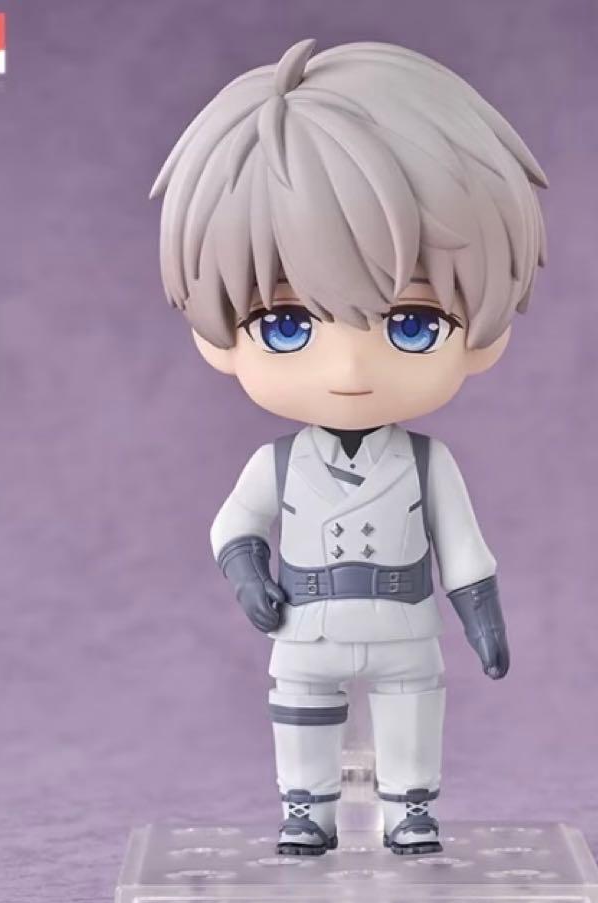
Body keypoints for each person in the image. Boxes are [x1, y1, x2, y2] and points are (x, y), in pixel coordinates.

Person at [150, 38, 547, 855]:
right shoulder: (278, 465)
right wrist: (248, 575)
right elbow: (233, 525)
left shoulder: (429, 463)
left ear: (485, 334)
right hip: (306, 624)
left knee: (412, 712)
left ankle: (411, 808)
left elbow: (464, 549)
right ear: (217, 336)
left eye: (414, 323)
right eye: (286, 324)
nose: (349, 369)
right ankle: (307, 809)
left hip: (403, 621)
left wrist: (483, 618)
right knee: (301, 714)